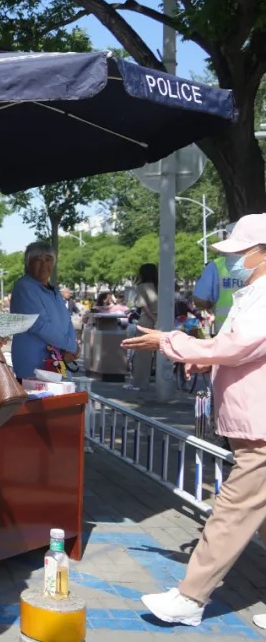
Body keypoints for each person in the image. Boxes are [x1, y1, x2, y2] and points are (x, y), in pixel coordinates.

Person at [122, 214, 266, 631]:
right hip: (251, 423)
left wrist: (170, 341)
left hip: (258, 428)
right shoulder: (253, 292)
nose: (232, 260)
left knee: (231, 513)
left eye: (240, 252)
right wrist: (204, 359)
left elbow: (238, 346)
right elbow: (236, 349)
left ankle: (190, 597)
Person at [9, 241, 78, 379]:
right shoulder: (24, 287)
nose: (44, 264)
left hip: (57, 363)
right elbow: (39, 325)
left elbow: (67, 321)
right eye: (38, 260)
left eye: (48, 259)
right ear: (28, 263)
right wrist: (71, 346)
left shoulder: (54, 290)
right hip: (35, 366)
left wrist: (72, 347)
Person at [193, 224, 242, 336]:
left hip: (225, 332)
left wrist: (210, 305)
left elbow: (198, 300)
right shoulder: (261, 264)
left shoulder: (216, 266)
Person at [125, 263, 159, 391]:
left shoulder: (141, 286)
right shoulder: (161, 286)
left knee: (143, 354)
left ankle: (139, 383)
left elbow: (144, 306)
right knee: (161, 353)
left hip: (147, 320)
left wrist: (154, 319)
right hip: (163, 320)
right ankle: (162, 383)